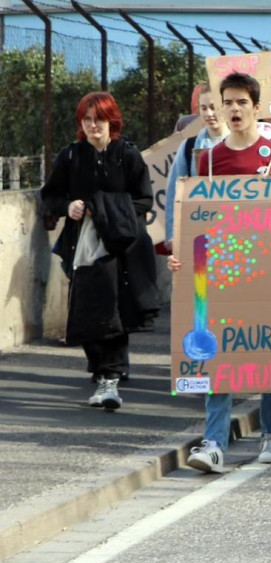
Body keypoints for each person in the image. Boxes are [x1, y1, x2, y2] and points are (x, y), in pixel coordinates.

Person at [168, 73, 271, 473]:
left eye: (241, 102)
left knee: (266, 349)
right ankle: (214, 441)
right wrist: (182, 255)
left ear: (256, 107)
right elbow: (195, 217)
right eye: (227, 102)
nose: (233, 110)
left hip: (268, 271)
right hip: (218, 271)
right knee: (215, 353)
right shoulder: (210, 160)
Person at [40, 92, 158, 410]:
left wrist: (105, 208)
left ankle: (112, 372)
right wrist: (70, 206)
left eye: (99, 119)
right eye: (87, 119)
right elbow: (49, 196)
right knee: (86, 309)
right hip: (81, 246)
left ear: (112, 121)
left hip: (120, 246)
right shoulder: (71, 156)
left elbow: (144, 200)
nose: (93, 125)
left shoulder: (127, 154)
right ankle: (102, 368)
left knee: (114, 310)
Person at [164, 83, 228, 254]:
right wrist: (172, 234)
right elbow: (174, 191)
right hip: (198, 231)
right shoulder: (189, 146)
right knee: (200, 280)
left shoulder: (241, 144)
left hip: (235, 230)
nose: (209, 114)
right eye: (204, 108)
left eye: (214, 107)